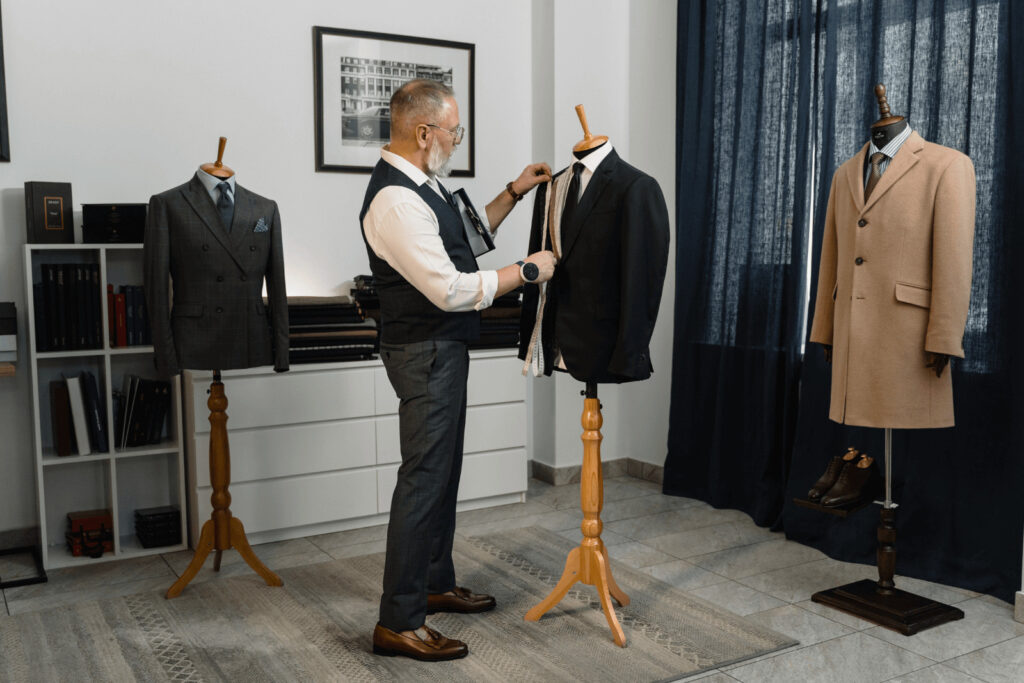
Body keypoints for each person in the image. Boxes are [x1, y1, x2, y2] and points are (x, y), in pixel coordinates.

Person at [360, 78, 556, 662]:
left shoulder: (424, 186)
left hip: (441, 349)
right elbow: (448, 288)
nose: (456, 140)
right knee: (424, 480)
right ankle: (398, 621)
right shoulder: (396, 201)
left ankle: (433, 583)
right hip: (424, 352)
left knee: (441, 475)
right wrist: (527, 271)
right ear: (425, 133)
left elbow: (466, 240)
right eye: (454, 131)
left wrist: (514, 192)